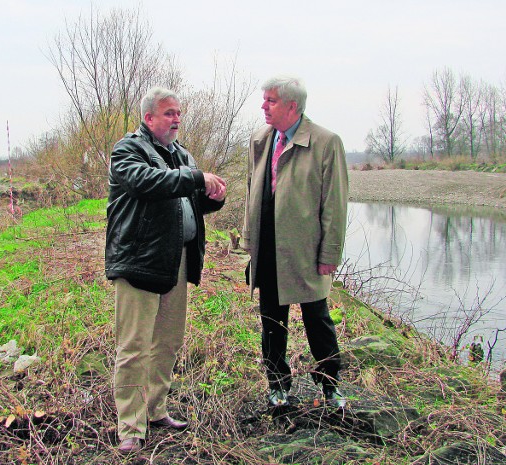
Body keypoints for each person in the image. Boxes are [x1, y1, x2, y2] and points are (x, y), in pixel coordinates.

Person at [105, 87, 227, 454]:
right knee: (134, 346)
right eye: (169, 113)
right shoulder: (127, 151)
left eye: (178, 113)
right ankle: (130, 425)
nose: (177, 119)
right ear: (149, 118)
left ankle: (155, 409)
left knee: (168, 341)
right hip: (141, 260)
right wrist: (196, 178)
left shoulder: (181, 154)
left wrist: (211, 198)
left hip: (176, 258)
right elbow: (147, 183)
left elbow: (185, 203)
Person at [241, 75, 348, 408]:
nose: (263, 106)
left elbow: (335, 203)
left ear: (292, 105)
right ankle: (277, 384)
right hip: (269, 247)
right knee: (272, 320)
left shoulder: (326, 142)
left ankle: (330, 385)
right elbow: (250, 192)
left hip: (306, 250)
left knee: (317, 319)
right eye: (264, 100)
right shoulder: (260, 139)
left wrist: (329, 254)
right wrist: (249, 242)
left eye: (270, 101)